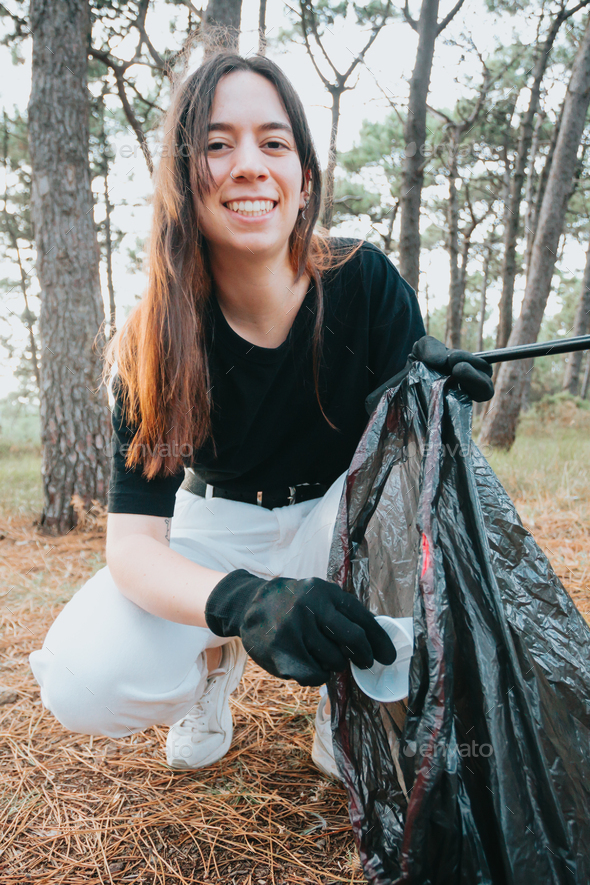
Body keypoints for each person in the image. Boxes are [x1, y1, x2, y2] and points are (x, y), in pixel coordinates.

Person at [29, 51, 493, 782]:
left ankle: (349, 702)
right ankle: (212, 659)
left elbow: (409, 477)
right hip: (218, 528)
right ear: (186, 177)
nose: (249, 165)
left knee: (415, 477)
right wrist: (242, 601)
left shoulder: (364, 282)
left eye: (274, 142)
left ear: (304, 178)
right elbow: (135, 547)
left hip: (338, 523)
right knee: (82, 680)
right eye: (218, 144)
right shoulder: (153, 337)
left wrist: (434, 399)